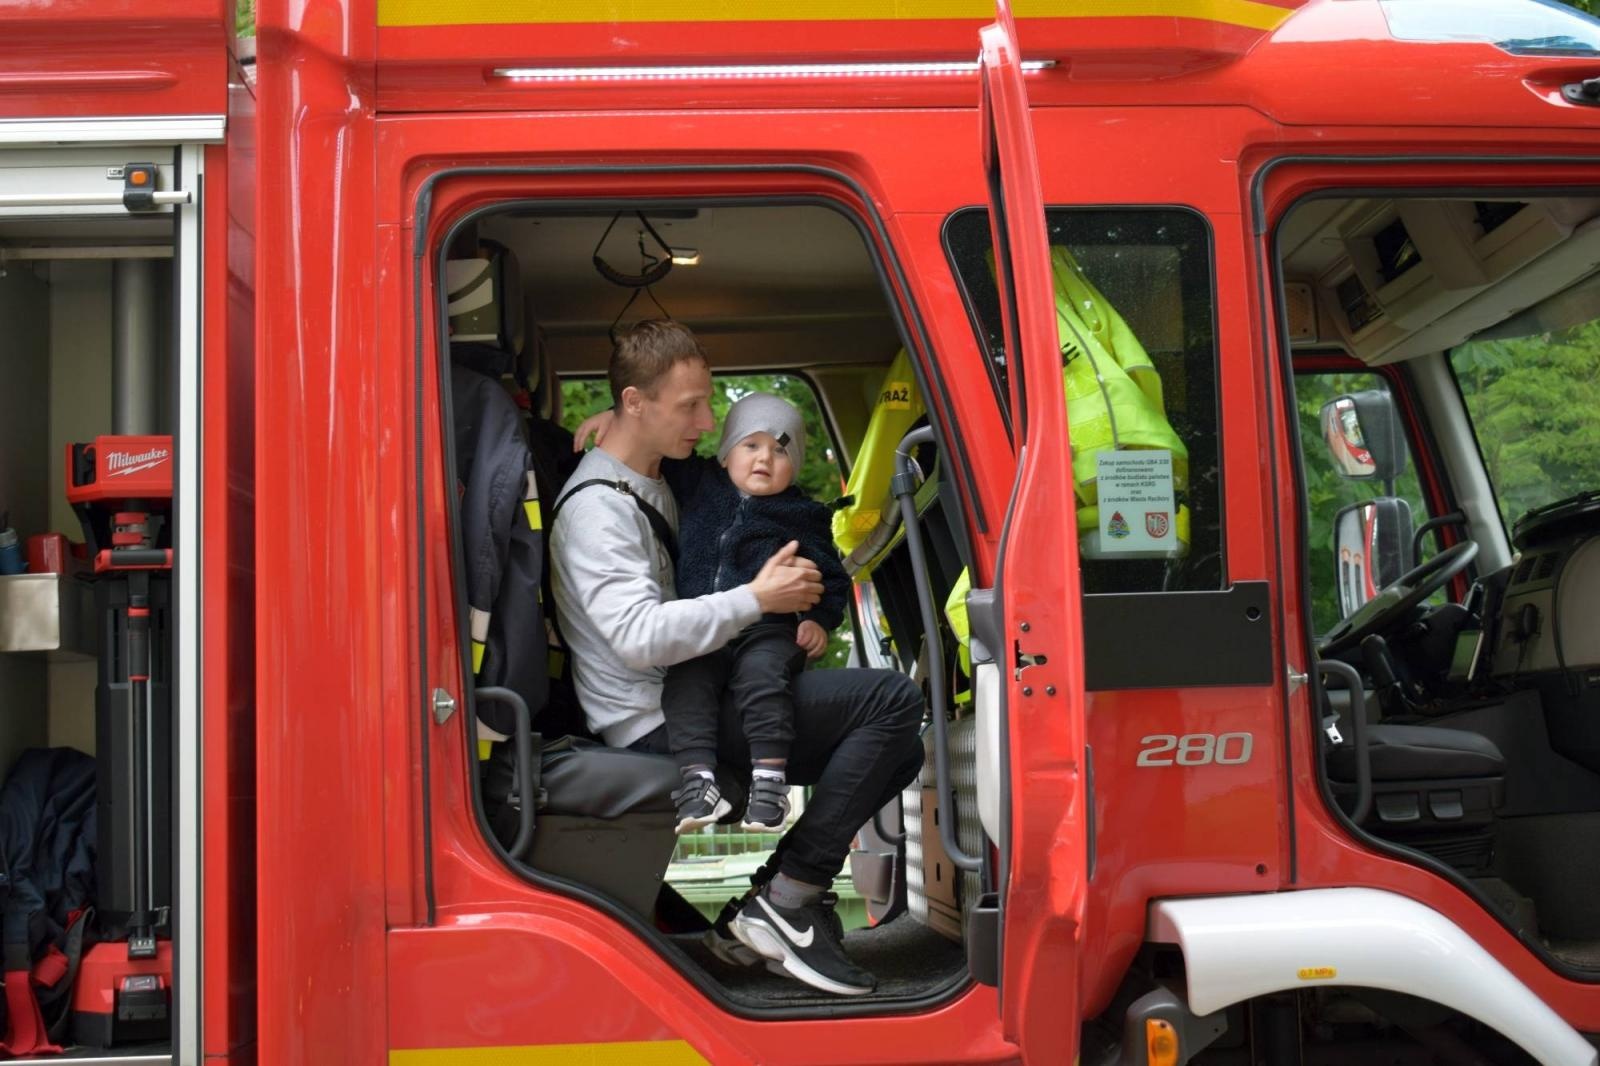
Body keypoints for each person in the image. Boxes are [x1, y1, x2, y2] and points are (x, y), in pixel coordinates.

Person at [549, 320, 925, 997]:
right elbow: (638, 636)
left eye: (706, 402)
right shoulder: (597, 511)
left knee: (903, 751)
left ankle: (774, 901)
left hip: (702, 688)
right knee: (893, 701)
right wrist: (758, 599)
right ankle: (787, 902)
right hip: (656, 720)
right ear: (637, 403)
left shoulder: (655, 475)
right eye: (690, 406)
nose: (707, 421)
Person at [651, 392, 851, 833]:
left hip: (769, 630)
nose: (764, 458)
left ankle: (769, 783)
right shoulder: (700, 483)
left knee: (763, 679)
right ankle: (697, 781)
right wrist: (612, 421)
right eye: (751, 445)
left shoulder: (802, 515)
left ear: (794, 466)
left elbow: (833, 578)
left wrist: (818, 620)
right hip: (704, 622)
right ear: (726, 453)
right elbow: (651, 445)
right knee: (684, 680)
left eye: (780, 450)